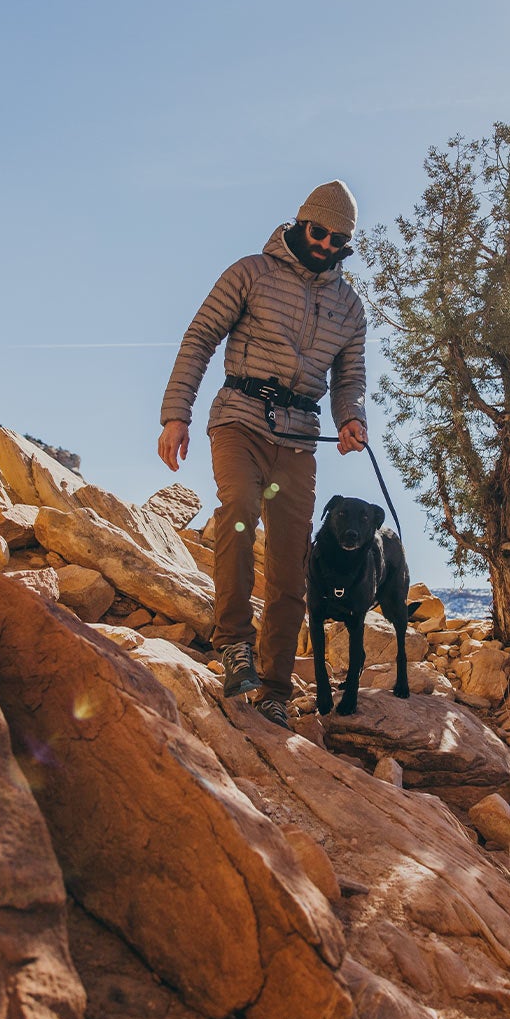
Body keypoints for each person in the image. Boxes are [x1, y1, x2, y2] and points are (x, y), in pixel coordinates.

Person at [158, 180, 369, 726]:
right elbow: (200, 336)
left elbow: (351, 377)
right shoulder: (250, 272)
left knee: (291, 561)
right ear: (301, 224)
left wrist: (352, 419)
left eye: (336, 238)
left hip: (300, 437)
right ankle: (233, 645)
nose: (324, 243)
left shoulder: (350, 306)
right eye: (318, 232)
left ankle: (274, 687)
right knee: (239, 514)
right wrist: (175, 414)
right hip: (239, 419)